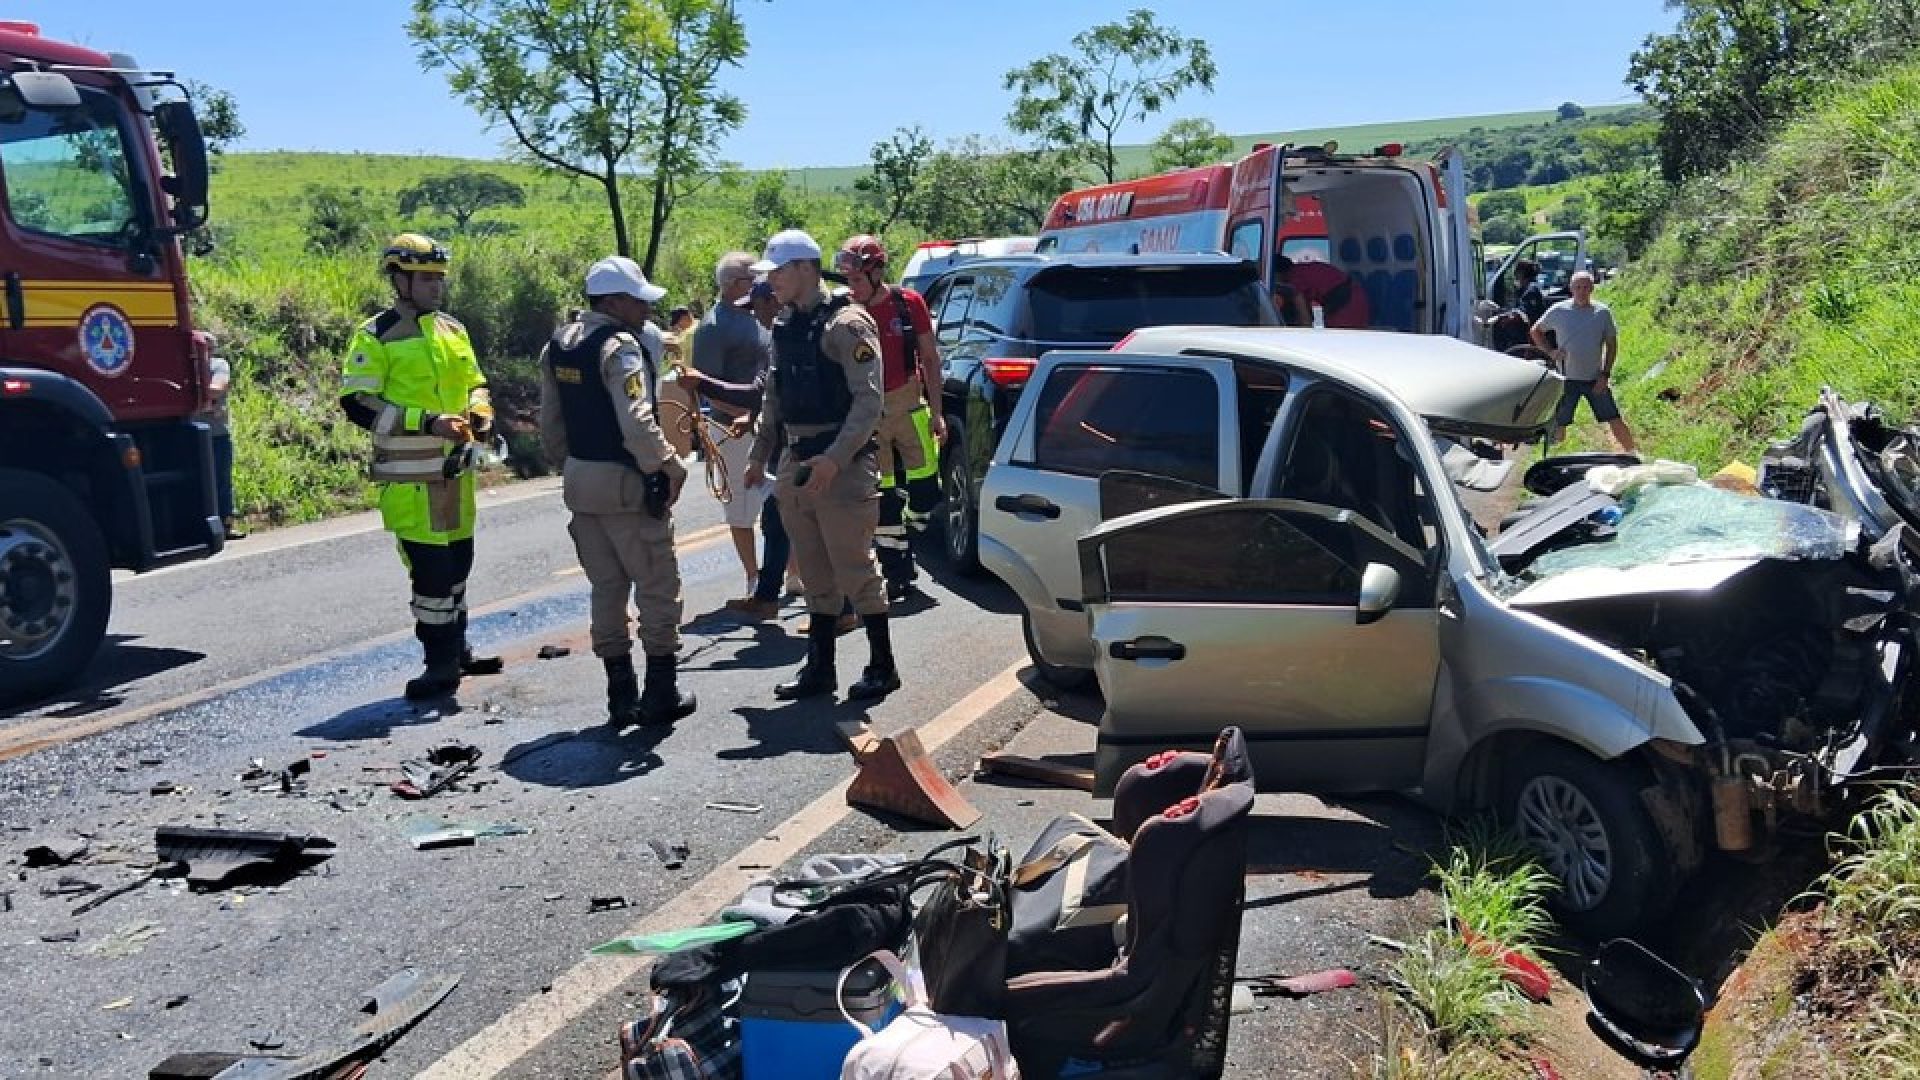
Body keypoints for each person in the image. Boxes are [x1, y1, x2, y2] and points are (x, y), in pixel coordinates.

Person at [339, 233, 503, 700]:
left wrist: (480, 407)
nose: (436, 286)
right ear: (400, 280)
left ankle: (458, 651)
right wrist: (428, 421)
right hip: (411, 481)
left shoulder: (452, 329)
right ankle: (439, 664)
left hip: (456, 475)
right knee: (431, 577)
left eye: (439, 278)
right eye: (426, 278)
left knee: (458, 568)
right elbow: (358, 402)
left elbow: (475, 381)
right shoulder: (376, 335)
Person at [539, 256, 698, 728]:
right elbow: (637, 420)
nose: (646, 310)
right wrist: (669, 465)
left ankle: (620, 696)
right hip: (625, 483)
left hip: (581, 480)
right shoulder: (619, 348)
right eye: (637, 301)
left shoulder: (559, 344)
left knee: (606, 588)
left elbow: (551, 422)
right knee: (657, 585)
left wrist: (570, 464)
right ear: (612, 302)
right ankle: (661, 693)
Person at [742, 229, 897, 701]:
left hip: (843, 465)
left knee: (855, 568)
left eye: (778, 271)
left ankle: (882, 665)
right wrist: (758, 455)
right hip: (798, 460)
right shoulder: (785, 325)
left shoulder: (847, 324)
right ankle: (820, 668)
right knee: (813, 572)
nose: (771, 281)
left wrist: (834, 459)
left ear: (806, 269)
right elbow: (773, 398)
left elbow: (869, 402)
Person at [834, 235, 945, 603]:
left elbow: (930, 359)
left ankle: (910, 533)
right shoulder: (844, 313)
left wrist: (937, 413)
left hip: (909, 406)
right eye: (848, 281)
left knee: (927, 491)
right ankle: (897, 573)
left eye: (857, 280)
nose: (852, 288)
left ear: (877, 272)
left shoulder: (907, 304)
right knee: (882, 501)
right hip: (868, 415)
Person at [690, 252, 776, 600]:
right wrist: (744, 414)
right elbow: (705, 385)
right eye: (751, 279)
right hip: (732, 429)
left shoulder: (761, 314)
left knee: (782, 501)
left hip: (767, 423)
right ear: (730, 284)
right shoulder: (713, 327)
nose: (759, 285)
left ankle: (793, 573)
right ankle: (754, 578)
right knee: (740, 507)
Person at [1532, 271, 1638, 454]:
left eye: (1586, 287)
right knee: (1559, 423)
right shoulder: (1559, 310)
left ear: (1592, 289)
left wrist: (1605, 374)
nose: (1582, 291)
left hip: (1594, 379)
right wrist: (1550, 351)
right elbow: (1536, 331)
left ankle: (1633, 454)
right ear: (1571, 289)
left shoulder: (1602, 313)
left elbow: (1612, 345)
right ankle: (1553, 458)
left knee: (1614, 418)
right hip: (1565, 379)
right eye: (1578, 287)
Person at [199, 348, 243, 540]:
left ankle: (226, 525)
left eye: (207, 347)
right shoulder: (187, 367)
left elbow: (216, 388)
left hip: (218, 435)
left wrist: (193, 392)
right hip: (193, 437)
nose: (204, 350)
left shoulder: (218, 365)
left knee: (222, 482)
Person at [1273, 254, 1370, 329]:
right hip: (1355, 297)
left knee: (1340, 341)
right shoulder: (1303, 270)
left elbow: (1304, 317)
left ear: (1277, 273)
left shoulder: (1293, 278)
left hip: (1345, 303)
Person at [1515, 259, 1550, 326]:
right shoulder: (1528, 288)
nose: (1515, 277)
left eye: (1516, 273)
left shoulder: (1531, 290)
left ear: (1522, 274)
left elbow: (1525, 313)